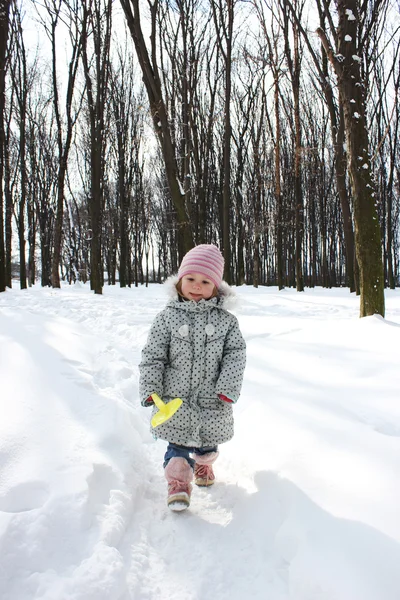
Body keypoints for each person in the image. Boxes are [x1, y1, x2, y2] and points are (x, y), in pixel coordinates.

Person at [139, 244, 246, 511]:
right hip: (174, 399)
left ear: (216, 286)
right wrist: (151, 389)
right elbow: (153, 356)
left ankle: (203, 466)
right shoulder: (166, 318)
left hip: (213, 398)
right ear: (179, 281)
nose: (196, 286)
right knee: (177, 446)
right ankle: (178, 484)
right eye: (190, 279)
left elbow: (236, 355)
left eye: (205, 281)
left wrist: (227, 387)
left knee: (207, 445)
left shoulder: (227, 321)